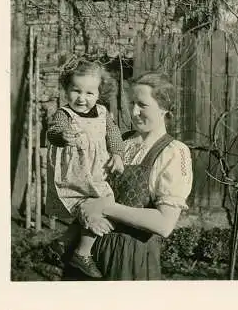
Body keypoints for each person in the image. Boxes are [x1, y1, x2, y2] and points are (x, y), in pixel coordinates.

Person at [66, 71, 193, 281]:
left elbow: (164, 224)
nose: (134, 112)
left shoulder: (173, 152)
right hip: (88, 249)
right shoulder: (120, 143)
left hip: (130, 256)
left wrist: (105, 207)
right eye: (132, 103)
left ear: (163, 108)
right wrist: (85, 210)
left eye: (142, 105)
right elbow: (88, 185)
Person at [45, 56, 125, 279]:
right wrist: (62, 136)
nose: (82, 98)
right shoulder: (64, 114)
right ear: (66, 90)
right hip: (75, 174)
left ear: (99, 93)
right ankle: (82, 253)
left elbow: (114, 134)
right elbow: (52, 132)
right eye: (75, 91)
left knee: (104, 207)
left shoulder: (103, 113)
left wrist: (118, 154)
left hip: (97, 172)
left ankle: (63, 242)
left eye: (89, 93)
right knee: (101, 207)